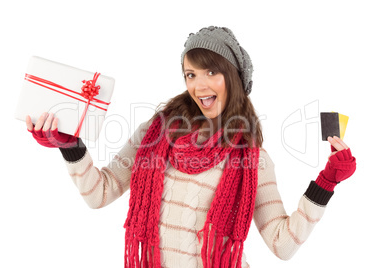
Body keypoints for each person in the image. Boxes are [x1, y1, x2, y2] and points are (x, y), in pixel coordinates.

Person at [25, 26, 356, 268]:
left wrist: (325, 184)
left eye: (211, 71)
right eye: (190, 74)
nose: (199, 85)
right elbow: (99, 193)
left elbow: (283, 245)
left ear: (235, 78)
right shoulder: (154, 134)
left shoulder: (253, 161)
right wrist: (69, 146)